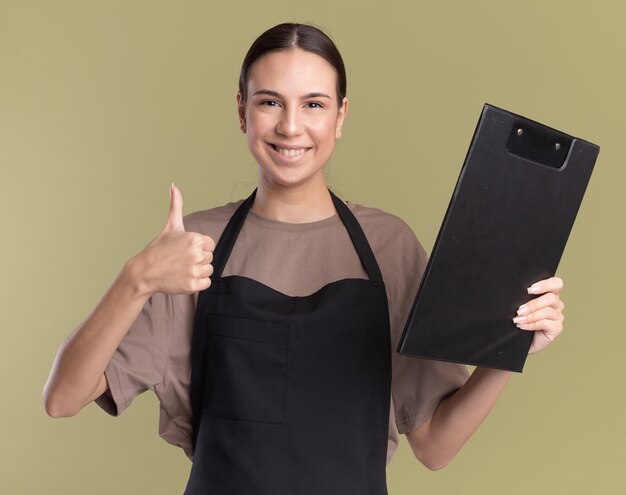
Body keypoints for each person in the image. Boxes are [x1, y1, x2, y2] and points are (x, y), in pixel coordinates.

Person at [43, 22, 565, 494]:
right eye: (270, 102)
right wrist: (136, 278)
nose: (291, 127)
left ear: (340, 116)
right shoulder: (192, 248)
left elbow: (434, 446)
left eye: (313, 104)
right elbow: (62, 399)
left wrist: (508, 348)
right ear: (241, 109)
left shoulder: (389, 246)